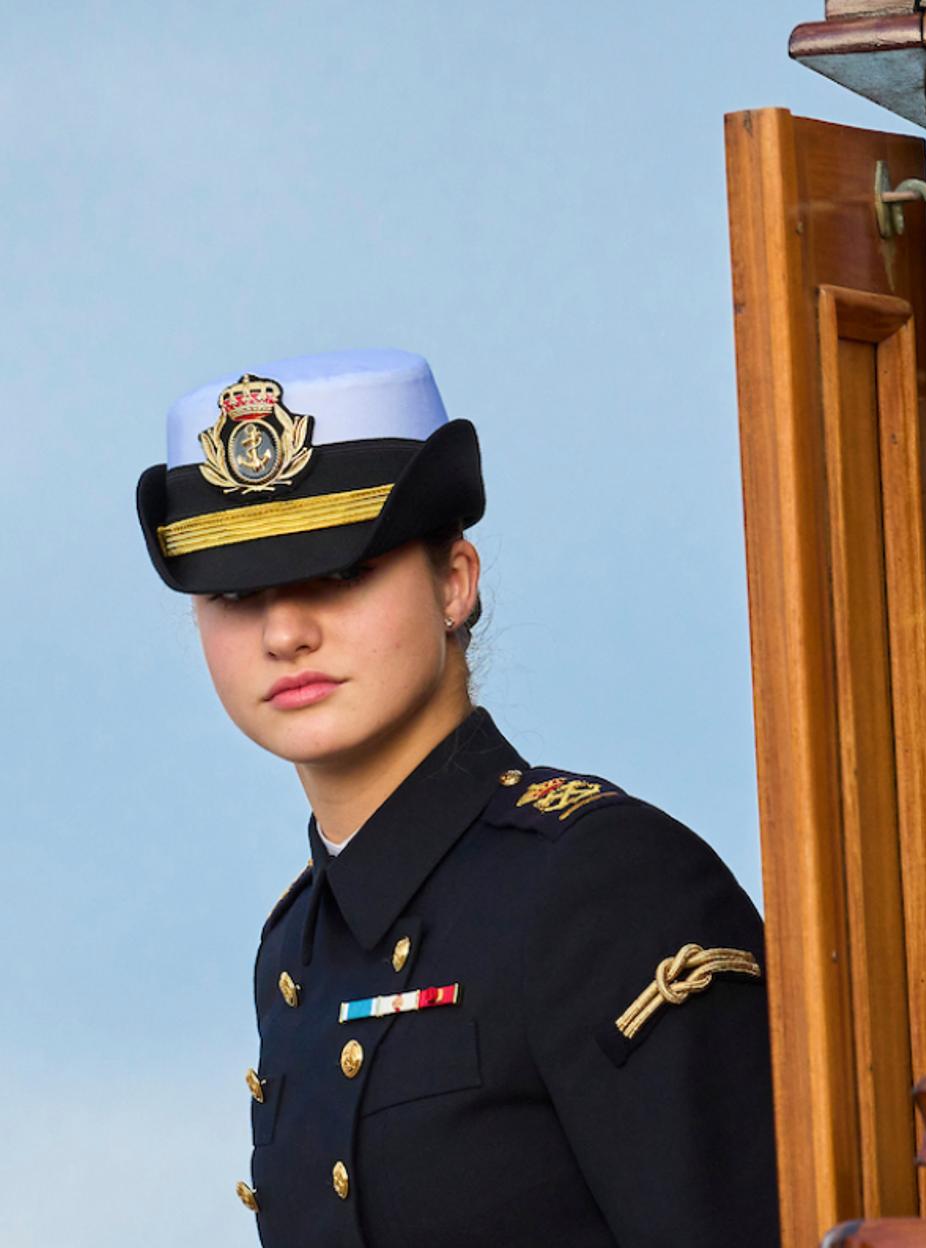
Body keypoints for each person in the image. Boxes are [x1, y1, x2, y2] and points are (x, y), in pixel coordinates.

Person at [137, 349, 780, 1247]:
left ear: (455, 582)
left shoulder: (604, 882)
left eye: (341, 573)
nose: (284, 632)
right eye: (238, 592)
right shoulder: (296, 947)